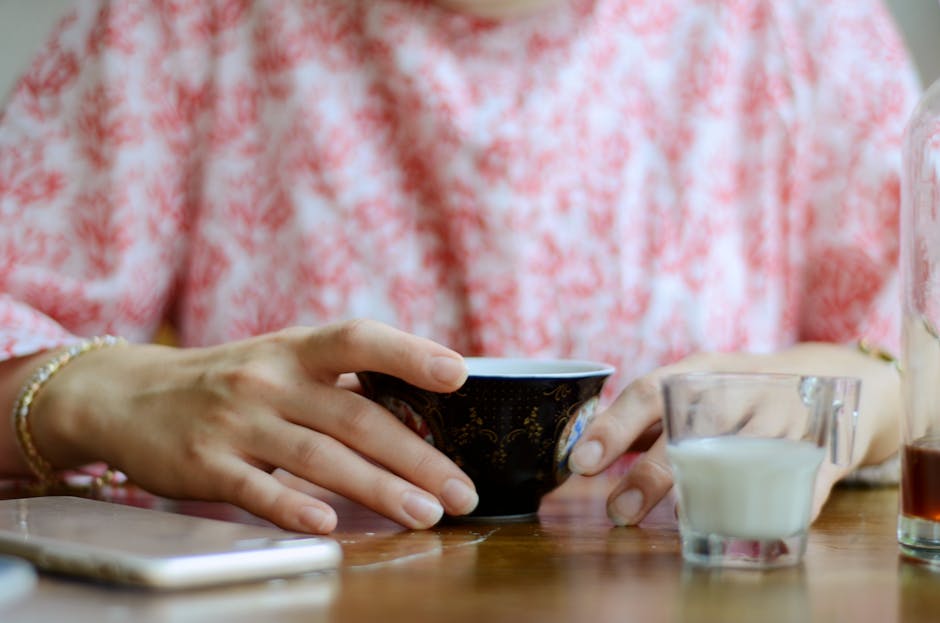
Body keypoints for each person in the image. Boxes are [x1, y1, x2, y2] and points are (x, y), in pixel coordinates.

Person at [0, 0, 918, 533]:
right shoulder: (178, 21)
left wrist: (865, 387)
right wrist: (98, 394)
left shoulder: (805, 25)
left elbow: (923, 356)